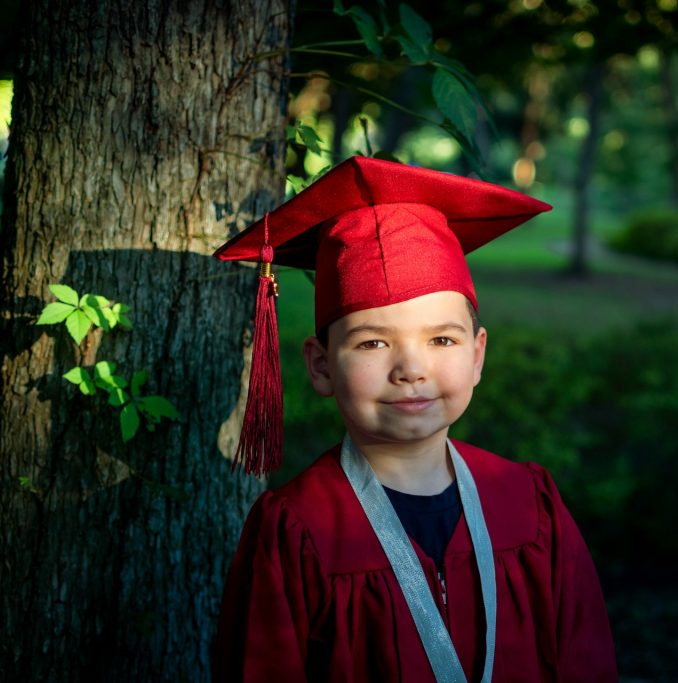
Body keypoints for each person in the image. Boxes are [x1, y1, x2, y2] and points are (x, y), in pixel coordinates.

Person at [211, 156, 618, 682]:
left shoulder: (530, 504)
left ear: (477, 355)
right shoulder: (295, 528)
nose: (410, 369)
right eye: (373, 343)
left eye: (442, 339)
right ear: (321, 366)